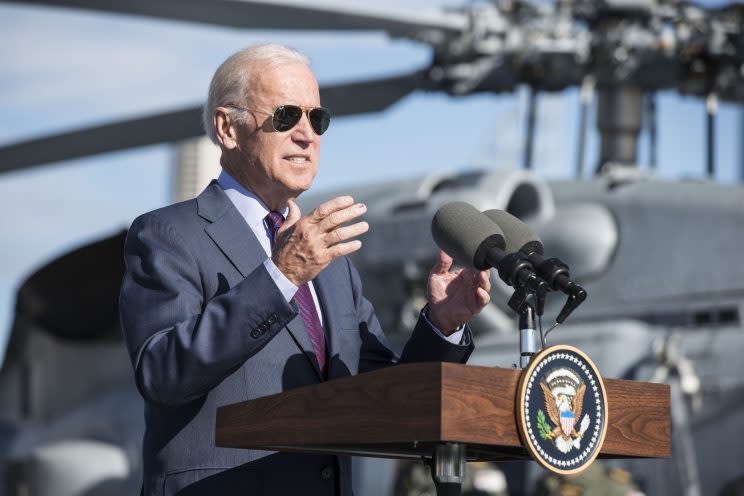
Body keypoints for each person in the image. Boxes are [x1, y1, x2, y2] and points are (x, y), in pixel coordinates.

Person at [120, 44, 491, 496]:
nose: (306, 135)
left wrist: (442, 324)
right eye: (285, 116)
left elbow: (383, 395)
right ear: (227, 128)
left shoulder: (333, 265)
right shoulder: (168, 234)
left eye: (316, 120)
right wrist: (281, 276)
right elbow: (164, 374)